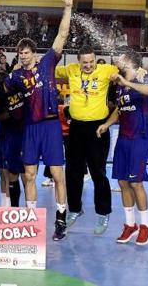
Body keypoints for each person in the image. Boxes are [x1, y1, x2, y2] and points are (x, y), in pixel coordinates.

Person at [5, 0, 73, 241]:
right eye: (20, 53)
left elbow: (62, 35)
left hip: (51, 127)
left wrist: (68, 8)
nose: (23, 56)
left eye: (26, 52)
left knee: (57, 175)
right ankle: (31, 221)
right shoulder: (14, 78)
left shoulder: (47, 64)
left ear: (33, 53)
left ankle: (61, 220)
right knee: (30, 175)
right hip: (30, 128)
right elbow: (5, 96)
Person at [97, 51, 148, 246]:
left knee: (136, 183)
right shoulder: (119, 84)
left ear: (130, 61)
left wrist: (127, 83)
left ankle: (145, 226)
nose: (117, 60)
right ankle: (129, 225)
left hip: (139, 138)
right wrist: (107, 124)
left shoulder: (141, 76)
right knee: (123, 183)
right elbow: (119, 108)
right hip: (123, 138)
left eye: (121, 58)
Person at [55, 45, 118, 235]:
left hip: (98, 128)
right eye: (85, 62)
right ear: (78, 61)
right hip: (76, 128)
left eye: (91, 62)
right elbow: (49, 67)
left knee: (98, 172)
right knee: (73, 171)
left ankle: (103, 213)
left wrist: (136, 71)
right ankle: (74, 209)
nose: (88, 65)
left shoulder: (107, 70)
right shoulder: (70, 70)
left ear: (95, 59)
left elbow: (125, 72)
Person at [0, 70, 25, 207]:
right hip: (4, 134)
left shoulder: (20, 89)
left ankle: (24, 206)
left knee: (22, 173)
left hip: (19, 135)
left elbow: (8, 114)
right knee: (2, 170)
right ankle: (5, 203)